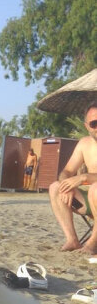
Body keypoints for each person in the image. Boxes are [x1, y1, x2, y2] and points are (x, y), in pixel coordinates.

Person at [49, 102, 97, 255]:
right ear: (86, 126)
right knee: (55, 187)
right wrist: (66, 185)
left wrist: (84, 177)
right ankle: (72, 240)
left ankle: (93, 242)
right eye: (94, 123)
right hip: (90, 203)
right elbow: (68, 170)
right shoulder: (84, 144)